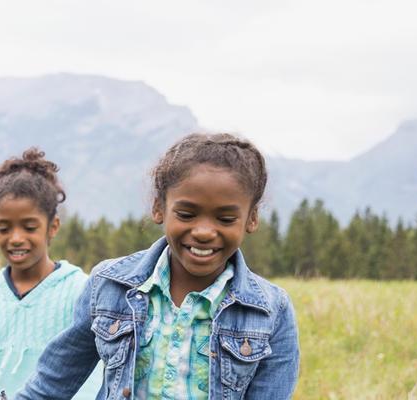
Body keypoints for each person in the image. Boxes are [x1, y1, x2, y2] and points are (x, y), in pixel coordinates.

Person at [17, 133, 299, 399]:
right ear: (158, 208)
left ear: (251, 219)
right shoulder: (108, 286)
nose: (203, 231)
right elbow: (51, 383)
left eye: (225, 219)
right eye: (187, 214)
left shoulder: (271, 311)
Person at [0, 148, 103, 400]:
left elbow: (91, 378)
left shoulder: (81, 291)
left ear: (53, 227)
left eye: (29, 227)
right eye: (4, 228)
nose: (16, 239)